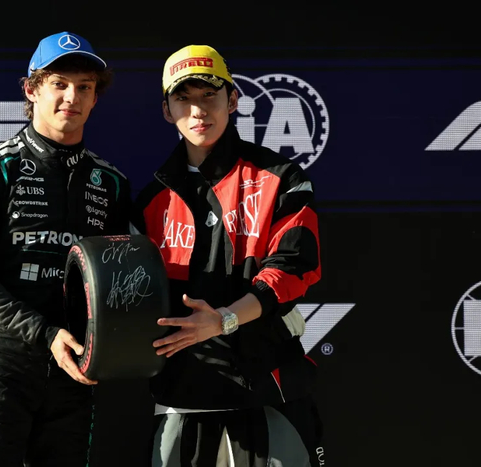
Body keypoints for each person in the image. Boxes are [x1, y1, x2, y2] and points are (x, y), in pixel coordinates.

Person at [132, 44, 326, 466]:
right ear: (166, 110)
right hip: (182, 396)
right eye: (183, 98)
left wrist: (224, 319)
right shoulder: (149, 201)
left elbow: (294, 268)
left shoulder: (282, 178)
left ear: (233, 100)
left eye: (209, 95)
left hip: (269, 389)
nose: (198, 111)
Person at [0, 31, 131, 466]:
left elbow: (117, 284)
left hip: (74, 371)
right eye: (59, 84)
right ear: (32, 89)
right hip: (2, 369)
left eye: (84, 86)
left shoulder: (111, 183)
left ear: (95, 97)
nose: (72, 97)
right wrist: (45, 334)